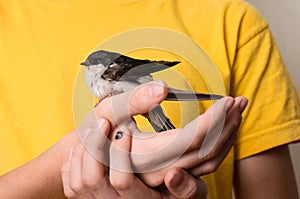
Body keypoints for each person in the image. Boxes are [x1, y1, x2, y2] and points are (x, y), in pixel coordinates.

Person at [0, 0, 299, 198]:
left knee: (160, 121)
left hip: (145, 86)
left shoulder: (231, 21)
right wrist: (65, 163)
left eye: (94, 65)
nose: (91, 70)